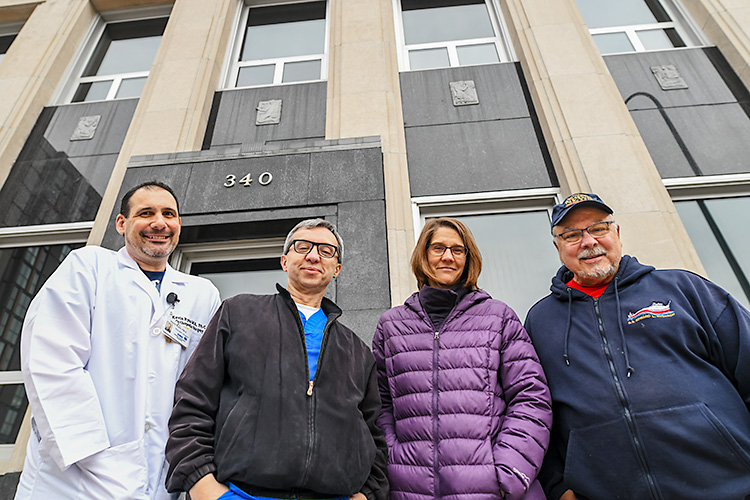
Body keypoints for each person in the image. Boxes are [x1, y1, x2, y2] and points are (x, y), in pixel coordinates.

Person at [524, 192, 750, 500]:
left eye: (598, 228)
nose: (588, 241)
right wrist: (557, 486)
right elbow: (535, 409)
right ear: (558, 247)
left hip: (729, 486)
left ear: (616, 233)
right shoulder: (540, 321)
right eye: (572, 235)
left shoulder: (683, 288)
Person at [14, 181, 221, 500]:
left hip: (160, 478)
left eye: (169, 214)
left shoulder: (201, 294)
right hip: (73, 479)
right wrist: (96, 457)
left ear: (178, 225)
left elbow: (203, 386)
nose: (159, 223)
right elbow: (52, 362)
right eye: (146, 213)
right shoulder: (88, 268)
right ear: (122, 224)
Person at [165, 219, 388, 500]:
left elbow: (374, 434)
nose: (313, 255)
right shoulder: (238, 314)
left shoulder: (357, 350)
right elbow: (192, 402)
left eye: (326, 251)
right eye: (303, 246)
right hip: (240, 493)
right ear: (284, 260)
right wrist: (202, 485)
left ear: (337, 269)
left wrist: (367, 495)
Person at [372, 217, 552, 500]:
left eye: (458, 250)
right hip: (410, 490)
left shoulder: (498, 317)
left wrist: (508, 472)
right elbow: (380, 404)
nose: (448, 256)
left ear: (468, 258)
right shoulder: (391, 325)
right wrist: (395, 458)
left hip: (490, 490)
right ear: (423, 255)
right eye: (438, 248)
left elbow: (530, 398)